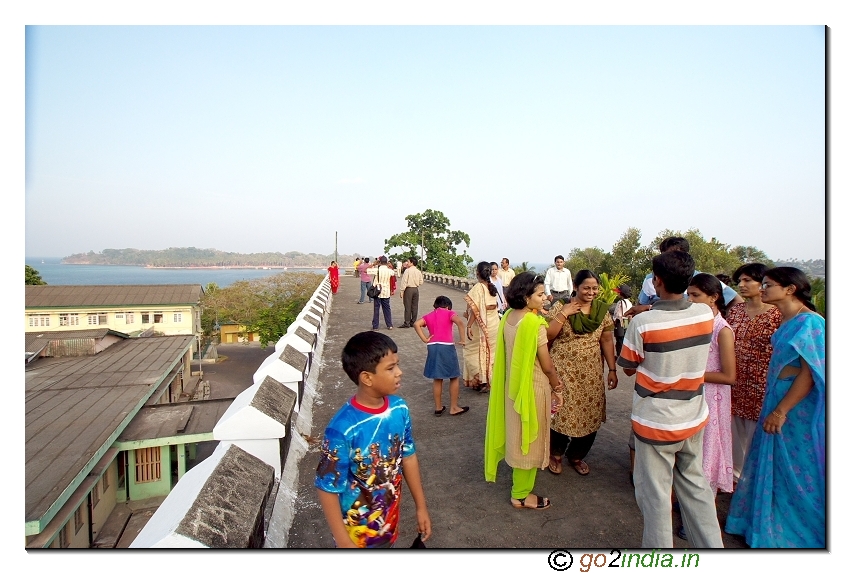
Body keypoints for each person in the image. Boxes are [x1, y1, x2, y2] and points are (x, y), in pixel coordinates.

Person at [617, 250, 724, 548]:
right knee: (696, 487)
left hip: (655, 422)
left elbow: (627, 368)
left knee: (655, 497)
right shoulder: (705, 314)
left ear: (657, 281)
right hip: (692, 417)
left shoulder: (644, 324)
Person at [725, 267, 825, 548]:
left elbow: (809, 374)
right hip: (776, 394)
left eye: (768, 285)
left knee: (797, 467)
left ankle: (800, 528)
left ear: (790, 289)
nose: (763, 289)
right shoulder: (786, 318)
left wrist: (781, 411)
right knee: (773, 462)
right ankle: (765, 522)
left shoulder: (810, 323)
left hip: (795, 405)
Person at [314, 331, 431, 548]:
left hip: (389, 524)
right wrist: (343, 540)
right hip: (356, 536)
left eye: (397, 365)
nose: (399, 372)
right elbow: (327, 487)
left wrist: (421, 506)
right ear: (367, 378)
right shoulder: (342, 429)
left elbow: (408, 458)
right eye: (390, 368)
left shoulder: (399, 409)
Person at [484, 272, 564, 510]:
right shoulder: (534, 323)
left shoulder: (509, 316)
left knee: (517, 435)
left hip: (512, 387)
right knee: (530, 440)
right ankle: (520, 495)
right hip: (533, 388)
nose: (544, 299)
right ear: (526, 297)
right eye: (539, 295)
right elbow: (547, 364)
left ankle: (519, 491)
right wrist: (557, 386)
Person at [544, 270, 617, 477]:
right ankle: (555, 454)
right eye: (586, 288)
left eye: (595, 288)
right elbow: (548, 334)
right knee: (560, 413)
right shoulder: (560, 306)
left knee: (589, 413)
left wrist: (612, 369)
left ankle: (576, 455)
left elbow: (606, 340)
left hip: (591, 373)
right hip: (563, 371)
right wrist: (565, 313)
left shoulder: (602, 311)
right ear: (575, 287)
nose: (591, 292)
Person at [726, 263, 782, 485]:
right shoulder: (736, 312)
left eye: (748, 280)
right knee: (733, 439)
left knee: (756, 441)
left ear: (763, 284)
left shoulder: (777, 315)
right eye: (740, 280)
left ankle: (754, 485)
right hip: (734, 385)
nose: (742, 285)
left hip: (762, 387)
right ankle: (734, 480)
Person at [686, 274, 737, 495]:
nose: (690, 300)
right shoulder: (694, 323)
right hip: (693, 393)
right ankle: (691, 500)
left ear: (713, 297)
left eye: (695, 295)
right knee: (691, 450)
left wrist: (691, 376)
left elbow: (729, 376)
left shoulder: (722, 330)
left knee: (708, 449)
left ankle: (706, 503)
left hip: (712, 398)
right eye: (688, 295)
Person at [627, 237, 743, 316]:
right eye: (664, 255)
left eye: (672, 256)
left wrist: (723, 320)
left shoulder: (703, 279)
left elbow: (736, 301)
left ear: (685, 256)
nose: (667, 260)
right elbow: (641, 307)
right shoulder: (651, 279)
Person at [414, 296, 469, 416]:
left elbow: (416, 324)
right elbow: (459, 322)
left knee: (437, 378)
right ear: (448, 306)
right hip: (446, 346)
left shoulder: (429, 315)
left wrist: (425, 339)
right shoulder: (449, 313)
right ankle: (454, 407)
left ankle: (438, 407)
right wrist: (463, 339)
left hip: (433, 346)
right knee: (454, 376)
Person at [462, 261, 500, 393]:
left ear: (477, 273)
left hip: (482, 326)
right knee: (491, 354)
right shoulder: (492, 287)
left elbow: (475, 309)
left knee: (470, 352)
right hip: (494, 324)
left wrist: (468, 325)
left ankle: (480, 379)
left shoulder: (478, 288)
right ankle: (489, 381)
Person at [367, 256, 394, 330]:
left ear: (380, 262)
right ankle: (389, 325)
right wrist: (390, 266)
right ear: (387, 262)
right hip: (386, 292)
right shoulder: (389, 271)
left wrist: (373, 264)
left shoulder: (377, 270)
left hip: (377, 292)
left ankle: (375, 326)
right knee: (387, 309)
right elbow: (393, 273)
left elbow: (366, 270)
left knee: (376, 309)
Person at [399, 256, 424, 328]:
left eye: (408, 262)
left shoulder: (407, 271)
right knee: (415, 306)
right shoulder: (418, 271)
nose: (407, 263)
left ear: (412, 263)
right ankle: (413, 322)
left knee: (407, 306)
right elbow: (421, 282)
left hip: (408, 289)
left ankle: (407, 322)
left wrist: (402, 290)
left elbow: (404, 281)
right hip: (416, 289)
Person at [611, 284, 633, 357]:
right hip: (626, 321)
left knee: (619, 339)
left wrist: (613, 322)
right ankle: (624, 354)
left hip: (619, 322)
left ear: (621, 294)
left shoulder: (620, 302)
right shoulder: (629, 303)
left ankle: (619, 355)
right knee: (624, 338)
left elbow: (617, 314)